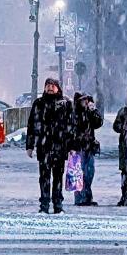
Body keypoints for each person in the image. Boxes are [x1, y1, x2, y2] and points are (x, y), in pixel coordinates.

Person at [26, 77, 75, 214]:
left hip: (60, 146)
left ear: (58, 88)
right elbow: (32, 125)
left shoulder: (65, 104)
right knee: (44, 176)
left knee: (58, 176)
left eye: (53, 85)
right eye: (48, 85)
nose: (50, 87)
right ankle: (44, 203)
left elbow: (71, 126)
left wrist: (72, 146)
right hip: (44, 146)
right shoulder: (39, 103)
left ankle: (58, 203)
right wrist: (30, 145)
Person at [72, 93, 102, 206]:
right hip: (78, 147)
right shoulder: (75, 113)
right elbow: (72, 129)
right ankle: (80, 198)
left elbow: (98, 123)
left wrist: (93, 111)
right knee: (80, 173)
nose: (85, 102)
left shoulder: (89, 112)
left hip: (88, 146)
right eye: (83, 100)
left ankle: (87, 197)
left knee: (89, 172)